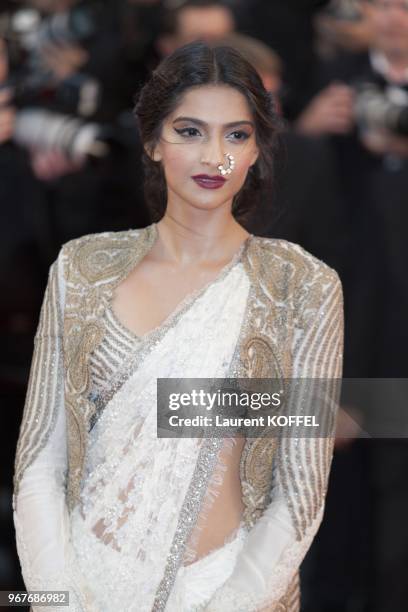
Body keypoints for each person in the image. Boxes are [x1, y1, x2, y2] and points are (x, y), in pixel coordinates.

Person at [12, 41, 344, 612]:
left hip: (231, 591)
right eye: (189, 131)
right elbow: (40, 460)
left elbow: (301, 488)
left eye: (236, 135)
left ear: (257, 149)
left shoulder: (303, 285)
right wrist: (58, 600)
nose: (213, 155)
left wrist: (232, 602)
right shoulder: (81, 268)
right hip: (86, 583)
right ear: (151, 141)